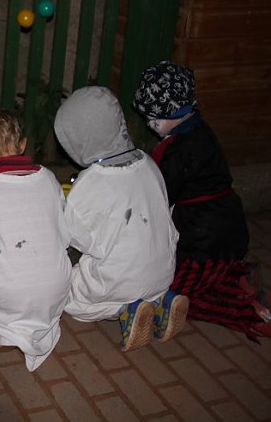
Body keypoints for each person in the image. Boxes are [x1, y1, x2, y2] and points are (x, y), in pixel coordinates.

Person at [134, 61, 270, 339]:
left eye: (155, 117)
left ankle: (248, 308)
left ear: (179, 111)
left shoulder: (180, 151)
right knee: (194, 280)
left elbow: (157, 196)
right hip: (222, 229)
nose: (151, 124)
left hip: (204, 241)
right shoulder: (199, 132)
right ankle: (235, 276)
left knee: (169, 287)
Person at [54, 85, 186, 351]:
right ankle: (160, 300)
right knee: (132, 264)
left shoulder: (92, 182)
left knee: (71, 302)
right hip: (163, 274)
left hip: (119, 283)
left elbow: (75, 237)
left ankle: (129, 309)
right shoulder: (149, 164)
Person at [0, 108, 70, 371]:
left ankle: (4, 331)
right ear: (23, 145)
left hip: (8, 292)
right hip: (56, 285)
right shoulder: (49, 178)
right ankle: (35, 325)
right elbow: (64, 230)